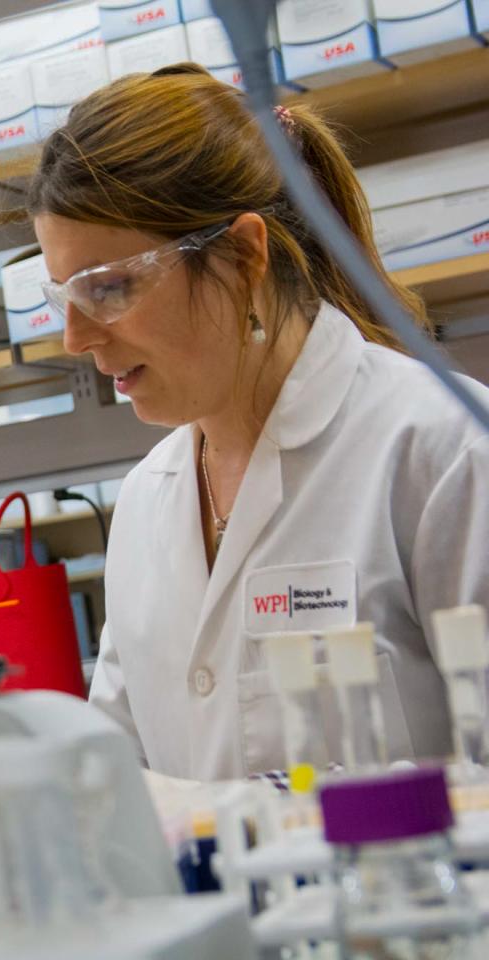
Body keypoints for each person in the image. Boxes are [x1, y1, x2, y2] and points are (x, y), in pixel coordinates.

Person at [28, 64, 489, 781]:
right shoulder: (150, 500)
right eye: (61, 295)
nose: (76, 339)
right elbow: (123, 785)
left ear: (243, 255)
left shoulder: (444, 450)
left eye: (109, 288)